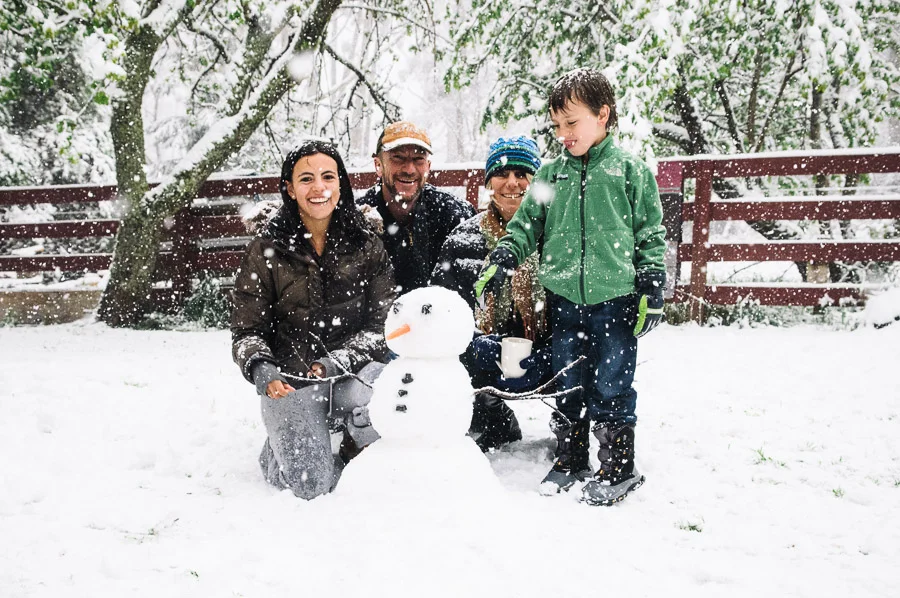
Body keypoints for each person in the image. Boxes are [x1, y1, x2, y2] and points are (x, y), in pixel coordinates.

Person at [475, 68, 667, 505]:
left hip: (615, 300)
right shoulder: (550, 176)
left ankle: (618, 467)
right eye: (557, 126)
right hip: (564, 302)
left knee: (612, 382)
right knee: (569, 380)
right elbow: (526, 225)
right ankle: (570, 457)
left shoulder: (629, 171)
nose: (563, 133)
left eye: (572, 122)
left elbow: (650, 234)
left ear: (603, 115)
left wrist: (651, 284)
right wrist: (506, 255)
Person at [231, 140, 396, 500]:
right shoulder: (265, 247)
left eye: (328, 177)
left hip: (353, 375)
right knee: (312, 488)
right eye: (306, 179)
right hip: (292, 382)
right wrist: (262, 368)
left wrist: (338, 361)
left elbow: (382, 326)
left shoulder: (366, 243)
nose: (318, 188)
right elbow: (246, 330)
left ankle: (352, 439)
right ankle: (282, 444)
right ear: (289, 188)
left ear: (341, 184)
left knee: (398, 395)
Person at [431, 136, 550, 452]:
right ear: (489, 181)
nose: (512, 182)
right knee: (453, 354)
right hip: (484, 351)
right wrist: (475, 344)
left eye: (522, 173)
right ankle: (491, 416)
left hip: (545, 349)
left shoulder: (557, 235)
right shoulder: (463, 239)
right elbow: (442, 310)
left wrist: (551, 345)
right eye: (502, 173)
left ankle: (571, 435)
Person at [358, 121, 475, 293]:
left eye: (418, 159)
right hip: (381, 318)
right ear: (378, 165)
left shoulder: (455, 215)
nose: (409, 169)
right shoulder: (358, 219)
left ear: (428, 166)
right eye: (398, 158)